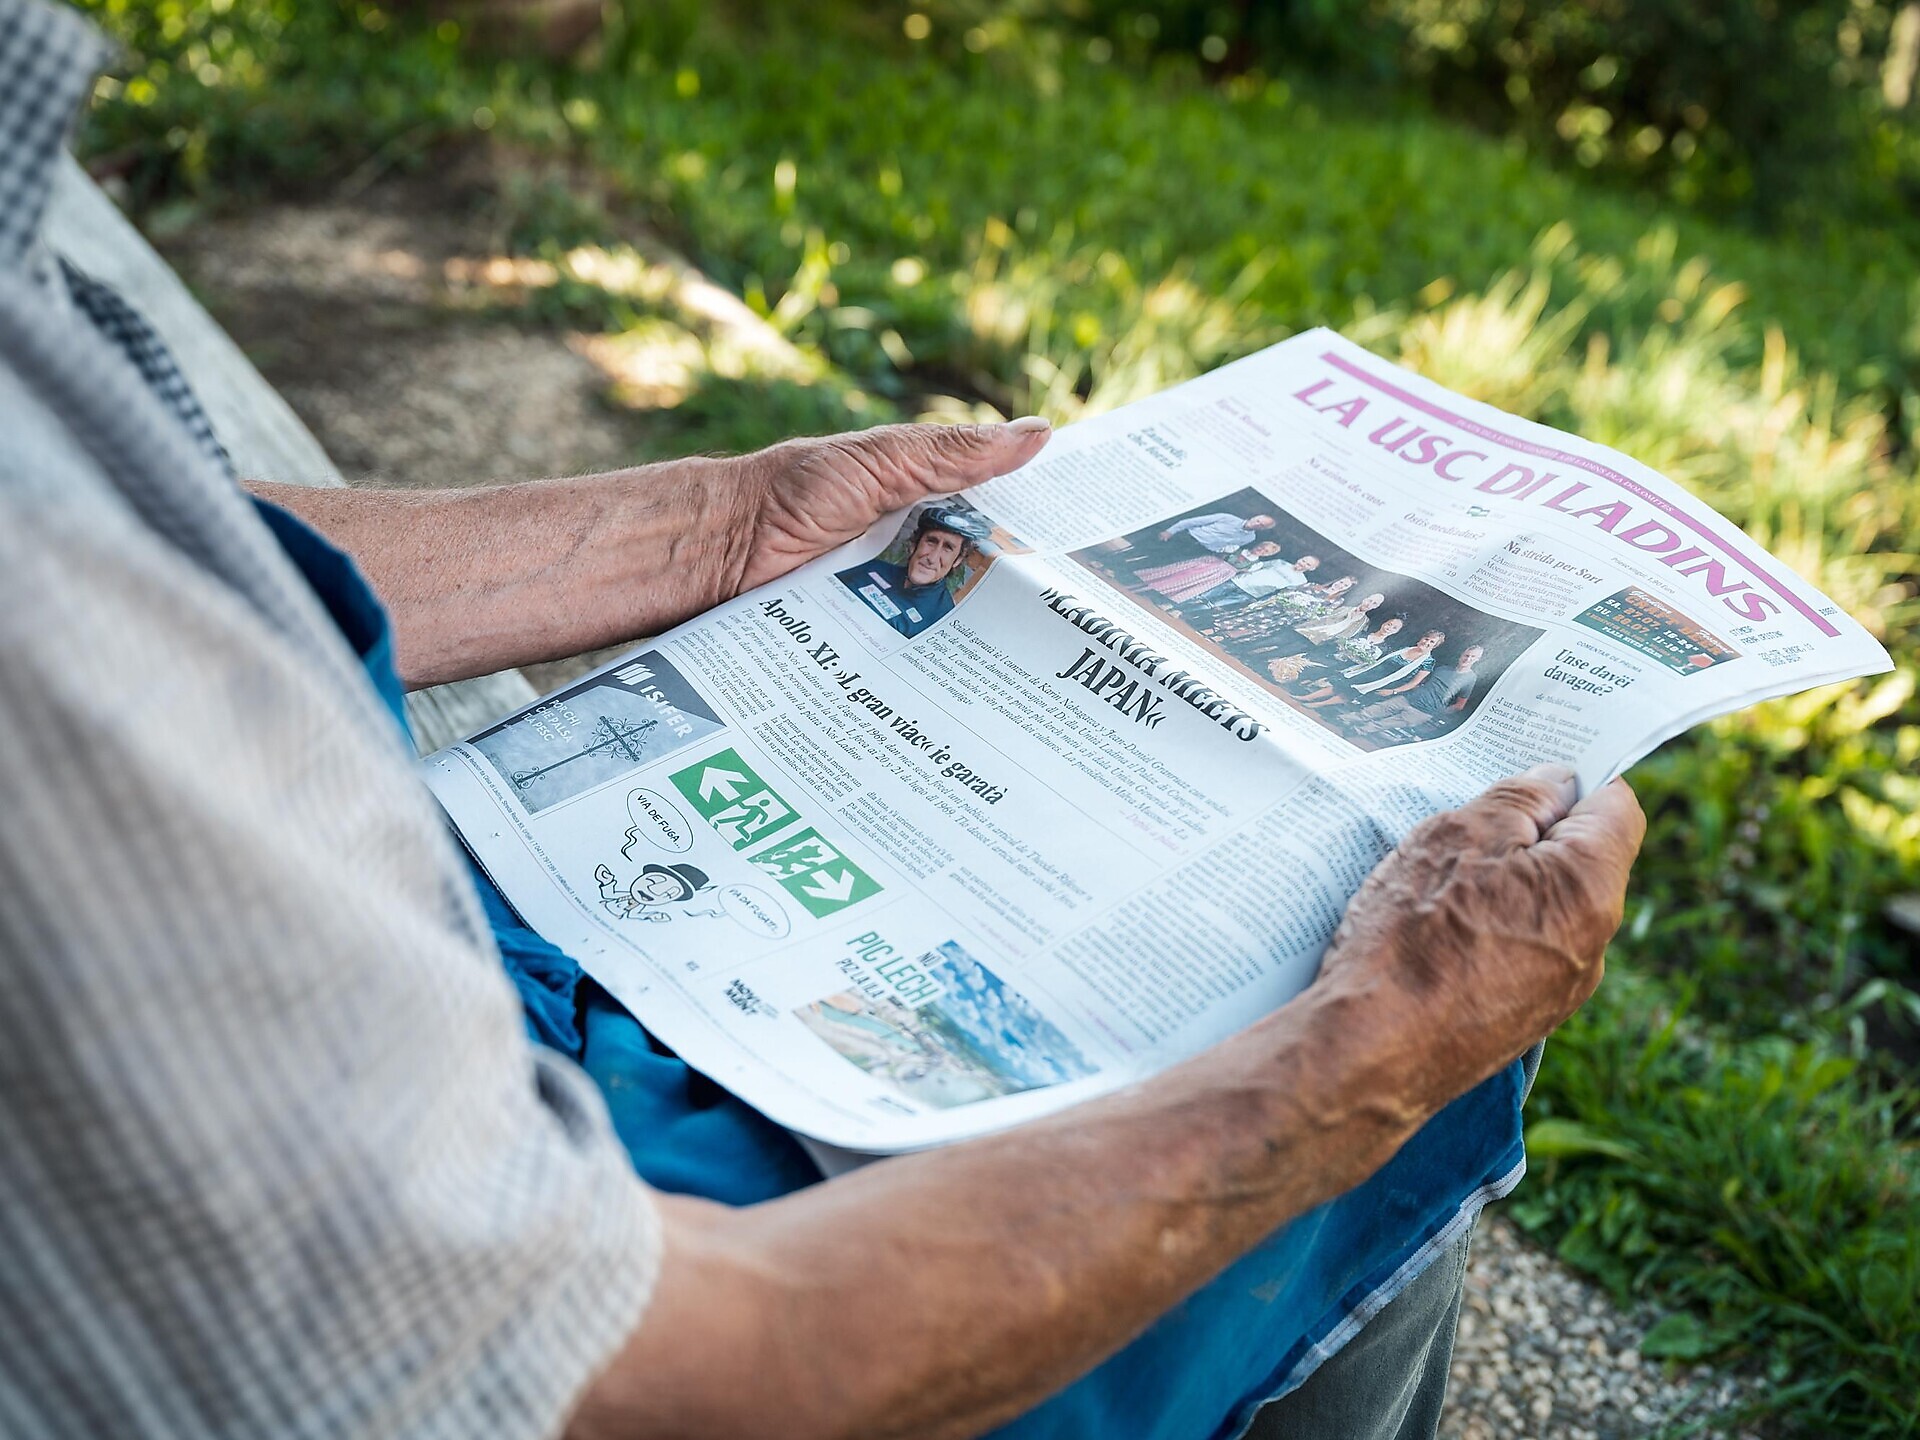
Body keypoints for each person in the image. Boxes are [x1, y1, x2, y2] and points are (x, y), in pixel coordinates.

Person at [1, 6, 1647, 1437]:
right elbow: (655, 1376)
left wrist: (712, 533)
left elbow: (138, 516)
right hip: (596, 1281)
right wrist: (1357, 1071)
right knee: (1383, 1097)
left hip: (390, 945)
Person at [835, 506, 973, 637]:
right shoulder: (871, 568)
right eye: (931, 541)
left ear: (957, 560)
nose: (932, 558)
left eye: (947, 548)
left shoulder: (942, 617)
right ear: (914, 544)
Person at [1349, 645, 1487, 739]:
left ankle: (1355, 731)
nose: (1468, 659)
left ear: (1477, 660)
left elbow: (1459, 705)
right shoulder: (1443, 669)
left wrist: (1435, 712)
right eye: (1467, 655)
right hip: (1407, 699)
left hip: (1422, 712)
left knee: (1380, 725)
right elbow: (1420, 682)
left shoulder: (1470, 678)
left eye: (1473, 657)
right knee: (1369, 711)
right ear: (1462, 654)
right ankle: (1342, 719)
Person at [1192, 551, 1321, 612]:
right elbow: (1258, 566)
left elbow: (1280, 593)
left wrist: (1259, 601)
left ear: (1312, 569)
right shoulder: (1281, 562)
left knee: (1211, 605)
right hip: (1238, 582)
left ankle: (1184, 612)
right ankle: (1176, 608)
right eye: (1304, 560)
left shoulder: (1301, 581)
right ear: (1300, 558)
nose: (1303, 564)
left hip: (1250, 594)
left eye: (1308, 564)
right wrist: (1241, 571)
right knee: (1203, 596)